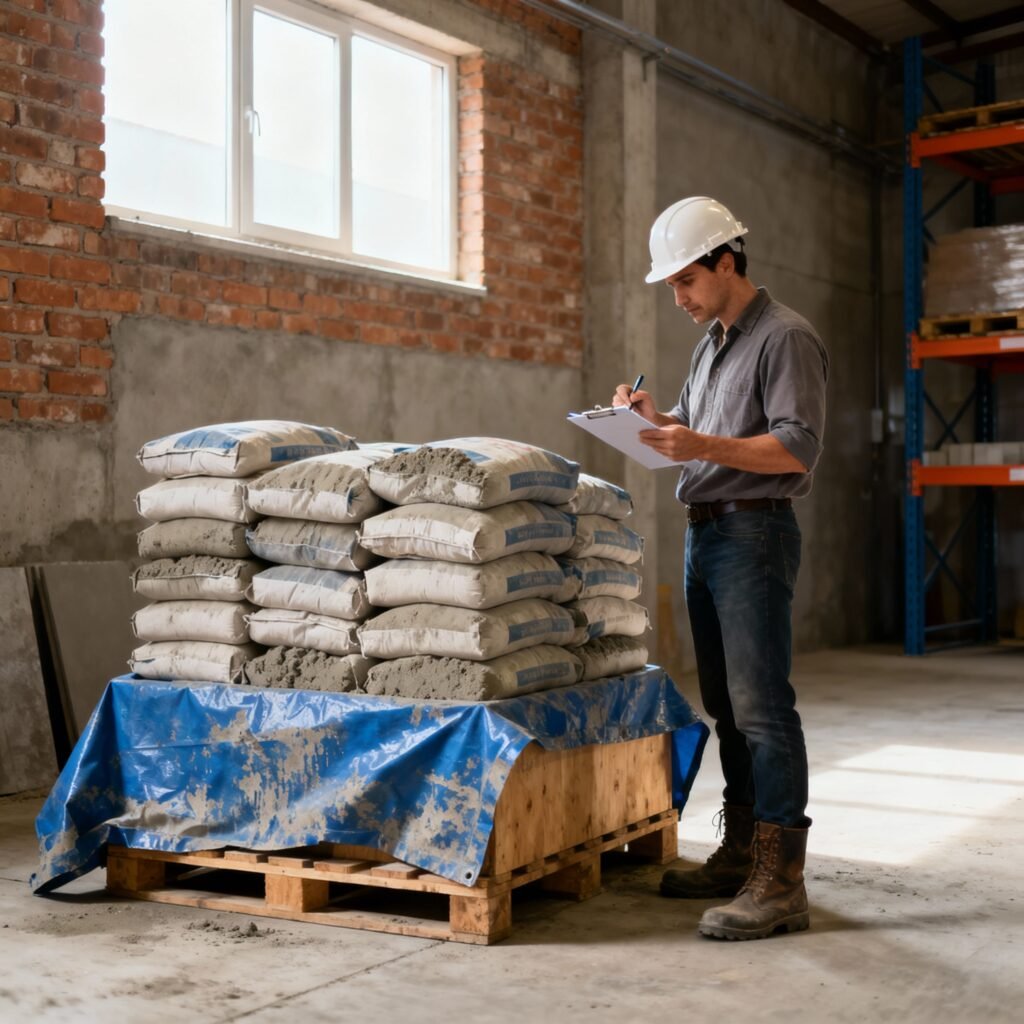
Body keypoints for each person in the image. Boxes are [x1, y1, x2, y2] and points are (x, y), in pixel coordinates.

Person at [612, 196, 829, 941]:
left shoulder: (785, 337)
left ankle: (782, 881)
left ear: (725, 262)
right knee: (726, 704)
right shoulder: (714, 341)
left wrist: (697, 445)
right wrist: (653, 421)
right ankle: (743, 849)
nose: (677, 298)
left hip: (754, 535)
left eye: (683, 282)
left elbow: (796, 447)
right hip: (706, 535)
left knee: (763, 705)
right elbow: (699, 427)